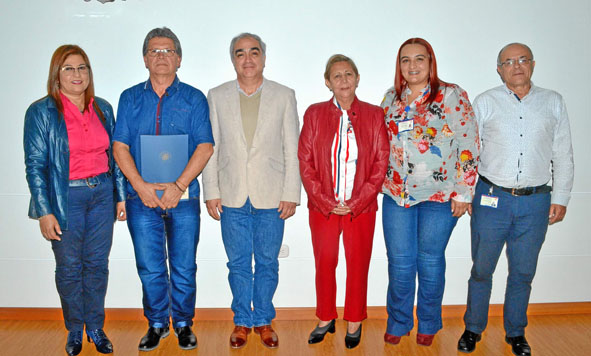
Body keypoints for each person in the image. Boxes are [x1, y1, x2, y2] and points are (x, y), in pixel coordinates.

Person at [457, 43, 574, 356]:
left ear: (533, 64)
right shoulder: (485, 102)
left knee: (523, 272)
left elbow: (563, 153)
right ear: (499, 69)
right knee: (482, 269)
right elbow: (469, 152)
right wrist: (466, 192)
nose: (516, 66)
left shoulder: (553, 102)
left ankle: (516, 332)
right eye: (508, 62)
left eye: (522, 60)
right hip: (490, 198)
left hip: (535, 202)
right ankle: (473, 329)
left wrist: (561, 195)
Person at [112, 27, 214, 351]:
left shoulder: (194, 98)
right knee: (150, 266)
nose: (161, 57)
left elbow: (206, 147)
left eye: (168, 51)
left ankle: (183, 323)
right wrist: (140, 187)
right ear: (145, 59)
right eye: (154, 51)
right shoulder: (130, 98)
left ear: (179, 59)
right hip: (141, 199)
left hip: (183, 199)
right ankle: (156, 323)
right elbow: (119, 147)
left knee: (184, 265)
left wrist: (179, 185)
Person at [24, 45, 126, 356]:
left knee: (97, 265)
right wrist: (44, 210)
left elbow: (117, 157)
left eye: (82, 67)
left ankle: (95, 326)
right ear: (57, 75)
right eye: (68, 68)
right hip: (65, 197)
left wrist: (120, 197)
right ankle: (74, 330)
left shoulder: (103, 109)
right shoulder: (41, 112)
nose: (77, 74)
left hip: (101, 196)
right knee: (69, 268)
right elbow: (35, 165)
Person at [202, 32, 300, 349]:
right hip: (230, 195)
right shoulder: (216, 96)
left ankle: (264, 321)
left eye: (254, 52)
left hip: (272, 195)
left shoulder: (284, 95)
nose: (248, 59)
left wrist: (291, 192)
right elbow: (210, 149)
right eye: (240, 53)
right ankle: (242, 320)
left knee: (268, 262)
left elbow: (291, 150)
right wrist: (211, 190)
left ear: (263, 57)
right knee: (239, 264)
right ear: (233, 59)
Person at [381, 38, 479, 347]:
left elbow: (469, 144)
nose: (412, 66)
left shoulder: (451, 96)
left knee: (430, 260)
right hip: (397, 196)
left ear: (430, 62)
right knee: (399, 262)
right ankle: (398, 321)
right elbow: (380, 145)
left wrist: (464, 193)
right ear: (399, 66)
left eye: (419, 59)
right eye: (405, 60)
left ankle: (429, 321)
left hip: (439, 196)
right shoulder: (390, 100)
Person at [298, 54, 389, 349]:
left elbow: (380, 163)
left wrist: (357, 201)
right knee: (325, 262)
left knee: (357, 264)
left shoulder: (375, 115)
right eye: (336, 76)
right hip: (323, 208)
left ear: (358, 78)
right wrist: (325, 201)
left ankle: (354, 319)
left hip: (360, 208)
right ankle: (325, 318)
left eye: (349, 74)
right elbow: (306, 162)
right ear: (328, 82)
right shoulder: (314, 114)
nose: (344, 80)